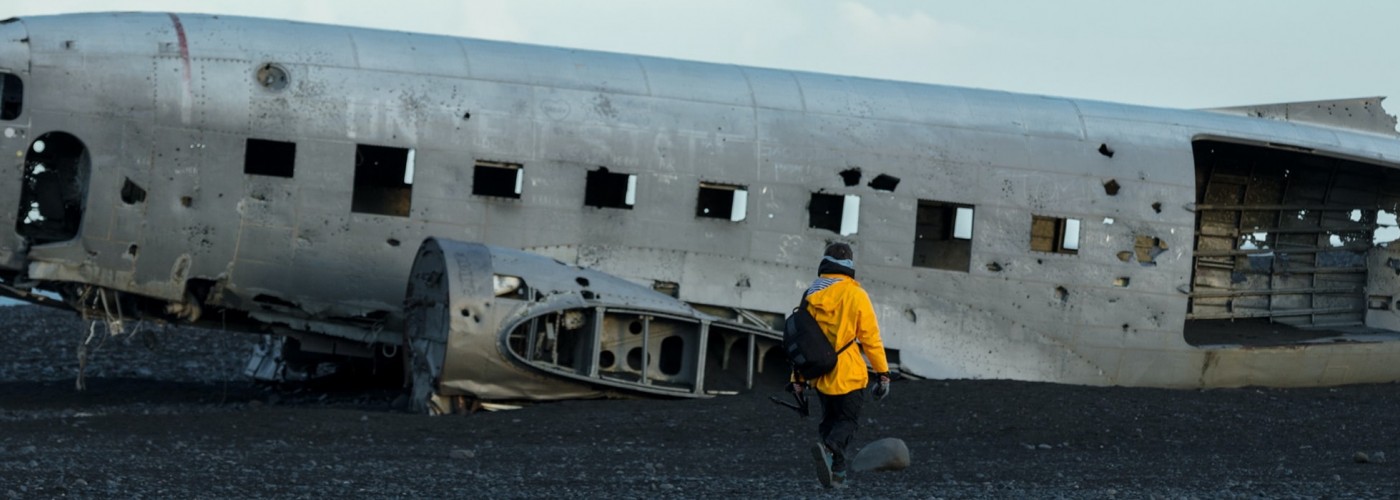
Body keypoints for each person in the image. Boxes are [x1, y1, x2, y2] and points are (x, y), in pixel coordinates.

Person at [789, 242, 890, 489]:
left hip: (819, 374)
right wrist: (883, 374)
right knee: (847, 422)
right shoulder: (856, 294)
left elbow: (801, 340)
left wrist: (797, 379)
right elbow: (870, 338)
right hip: (849, 373)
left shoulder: (810, 294)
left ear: (825, 262)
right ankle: (827, 449)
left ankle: (838, 475)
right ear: (849, 266)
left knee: (830, 422)